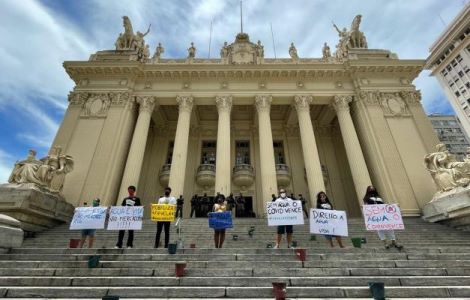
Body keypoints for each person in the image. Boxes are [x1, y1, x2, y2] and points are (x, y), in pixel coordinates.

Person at [363, 185, 403, 250]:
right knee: (380, 229)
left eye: (373, 188)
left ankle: (394, 242)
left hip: (383, 215)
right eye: (370, 188)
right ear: (368, 190)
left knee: (390, 228)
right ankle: (385, 243)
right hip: (376, 216)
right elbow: (366, 206)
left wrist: (394, 206)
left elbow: (384, 206)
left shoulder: (379, 197)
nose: (372, 189)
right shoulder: (366, 198)